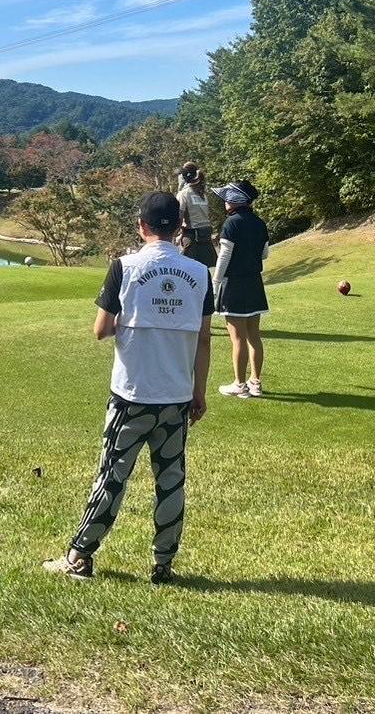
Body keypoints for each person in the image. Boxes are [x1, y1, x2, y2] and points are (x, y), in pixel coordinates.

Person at [44, 191, 212, 584]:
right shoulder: (200, 274)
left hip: (132, 394)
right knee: (170, 480)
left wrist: (136, 321)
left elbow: (102, 330)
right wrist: (198, 391)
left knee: (112, 476)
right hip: (177, 396)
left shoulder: (125, 266)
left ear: (141, 226)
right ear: (181, 228)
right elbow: (204, 339)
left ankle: (80, 557)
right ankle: (164, 565)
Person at [213, 179, 269, 399]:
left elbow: (224, 255)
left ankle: (240, 385)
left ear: (235, 200)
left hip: (234, 284)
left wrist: (216, 281)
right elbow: (265, 254)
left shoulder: (231, 224)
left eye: (228, 197)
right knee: (254, 336)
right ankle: (255, 382)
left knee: (237, 338)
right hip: (254, 283)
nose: (225, 201)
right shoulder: (259, 222)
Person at [175, 162, 217, 268]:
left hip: (192, 237)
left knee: (187, 271)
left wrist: (173, 234)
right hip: (206, 236)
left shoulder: (183, 194)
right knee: (204, 270)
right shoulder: (202, 194)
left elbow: (179, 218)